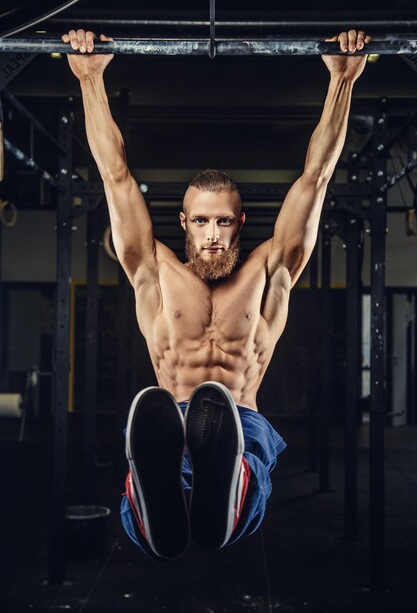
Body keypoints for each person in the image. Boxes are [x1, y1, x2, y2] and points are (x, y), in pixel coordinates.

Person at [62, 28, 371, 562]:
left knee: (236, 438)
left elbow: (315, 177)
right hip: (169, 417)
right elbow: (115, 177)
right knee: (162, 432)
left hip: (241, 426)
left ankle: (224, 483)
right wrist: (91, 80)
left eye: (223, 222)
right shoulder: (153, 272)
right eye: (201, 221)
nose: (211, 235)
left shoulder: (270, 268)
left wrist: (341, 82)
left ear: (240, 222)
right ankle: (158, 493)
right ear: (182, 221)